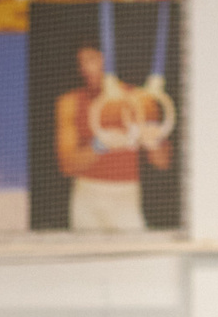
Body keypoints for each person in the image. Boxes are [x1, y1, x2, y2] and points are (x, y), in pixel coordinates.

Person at [55, 38, 169, 232]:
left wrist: (153, 142)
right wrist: (98, 146)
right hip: (87, 196)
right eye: (81, 62)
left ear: (108, 60)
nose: (85, 68)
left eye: (91, 60)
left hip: (126, 195)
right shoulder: (70, 102)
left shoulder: (141, 100)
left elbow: (162, 162)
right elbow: (67, 166)